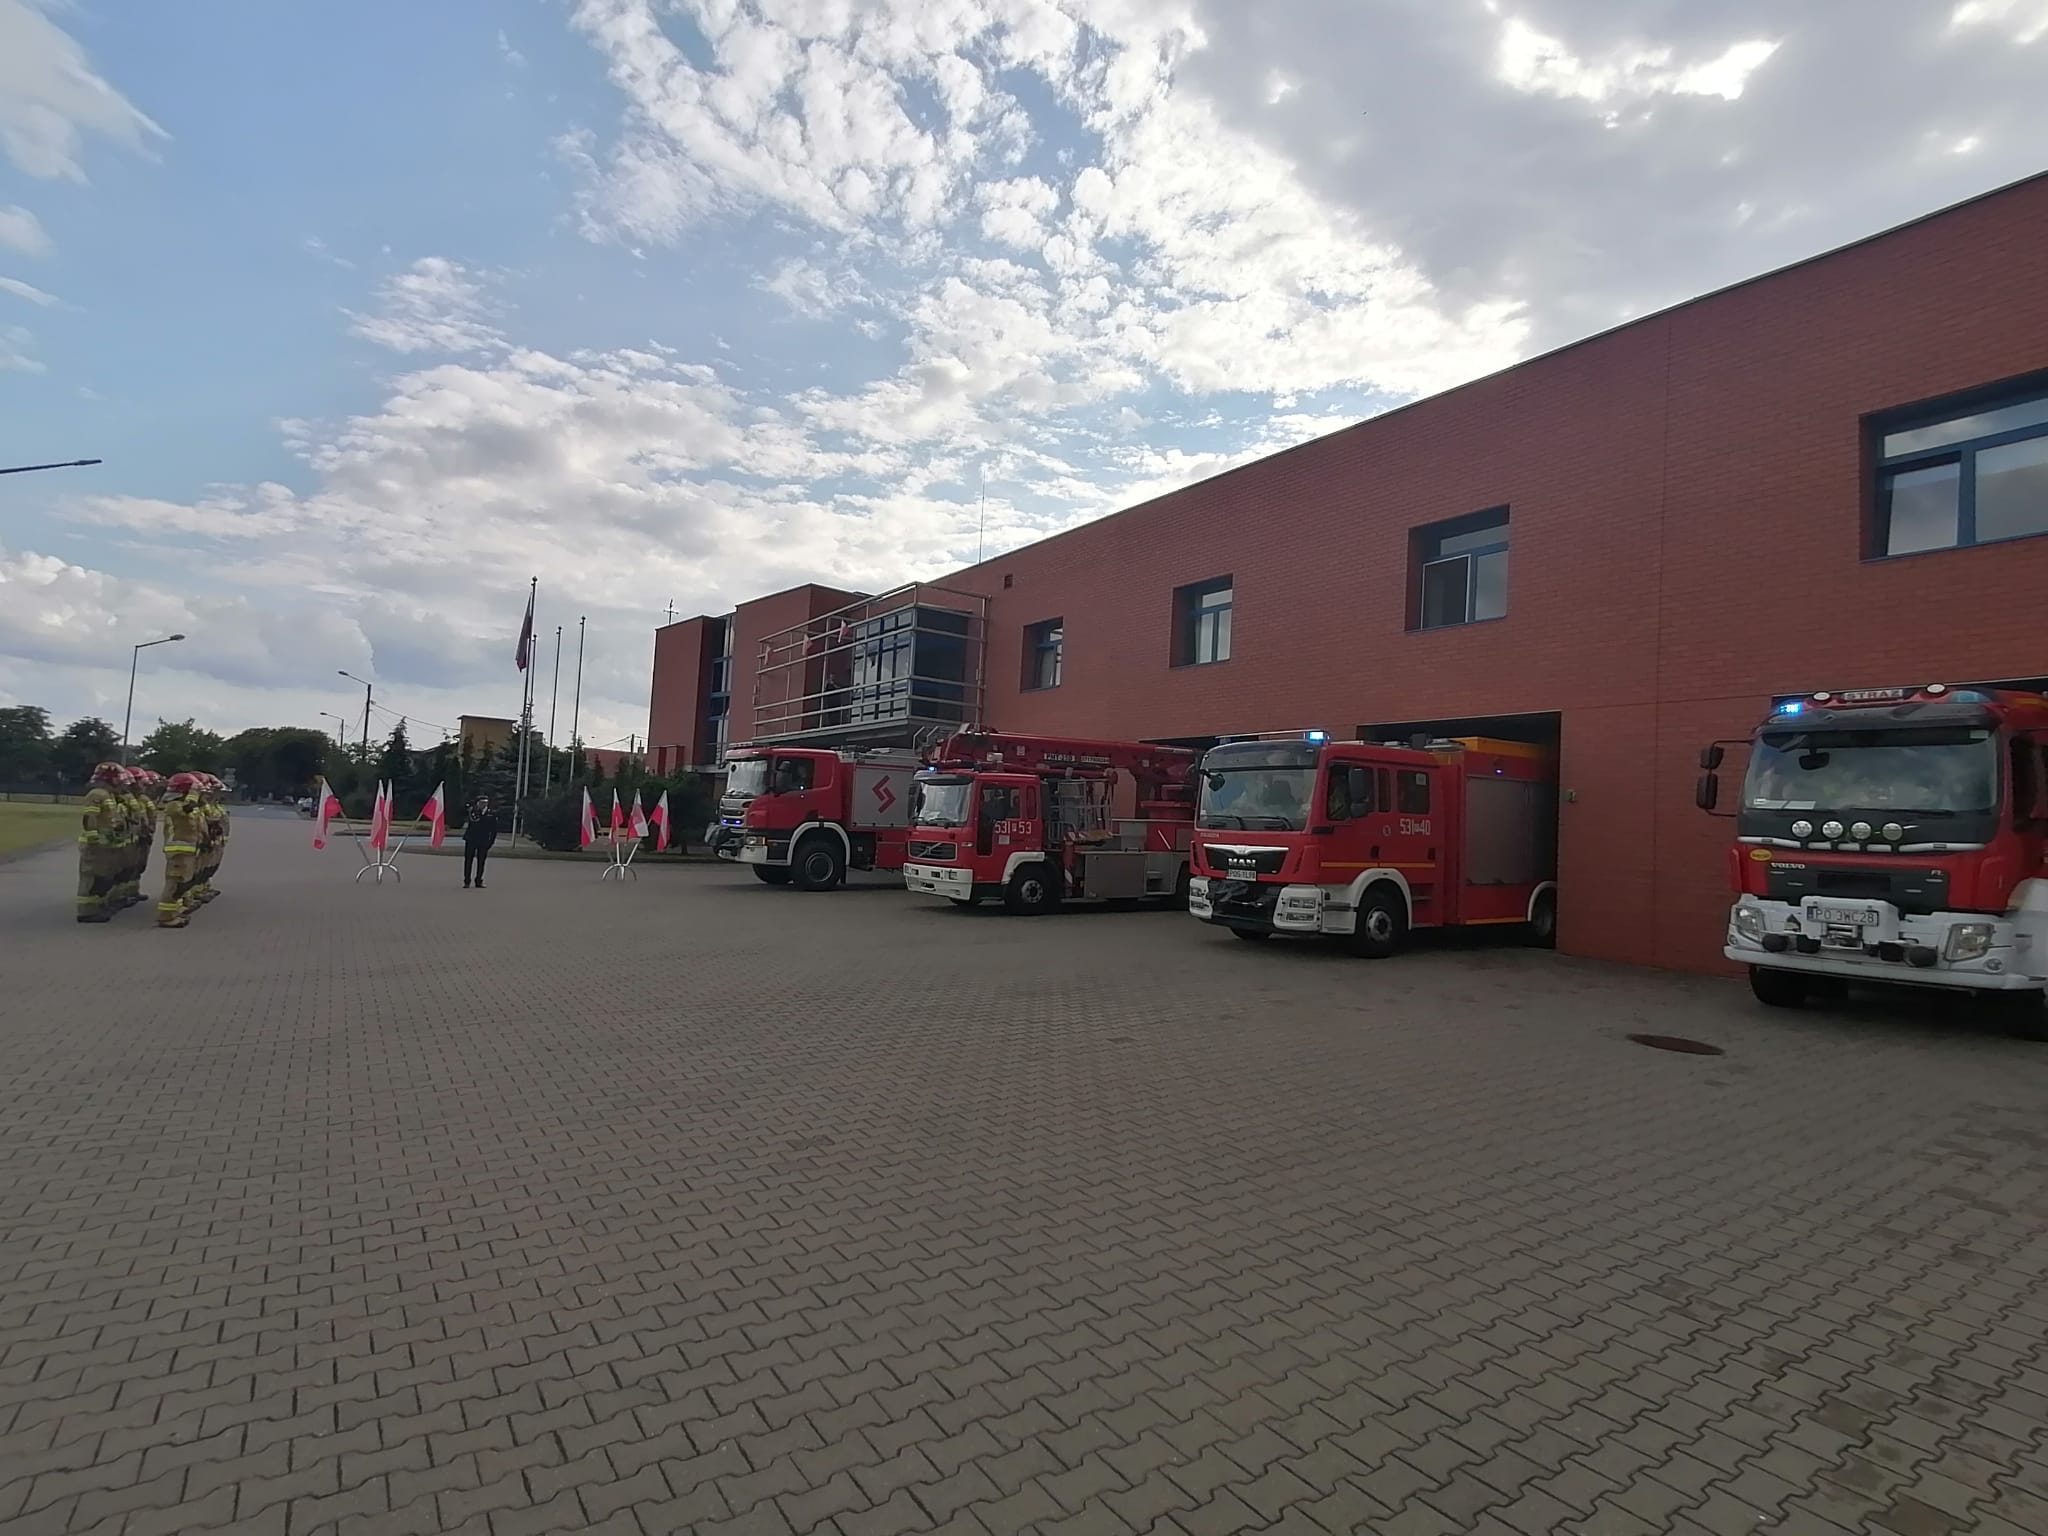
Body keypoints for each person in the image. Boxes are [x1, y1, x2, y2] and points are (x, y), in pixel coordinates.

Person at [76, 762, 130, 923]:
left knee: (102, 877)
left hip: (106, 844)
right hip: (96, 845)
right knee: (91, 878)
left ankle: (98, 906)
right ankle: (86, 911)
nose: (121, 783)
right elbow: (90, 817)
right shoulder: (97, 794)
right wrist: (94, 838)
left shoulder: (109, 795)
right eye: (118, 779)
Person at [156, 773, 205, 929]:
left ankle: (174, 912)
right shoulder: (174, 805)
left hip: (187, 851)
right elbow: (187, 809)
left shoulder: (182, 804)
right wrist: (194, 793)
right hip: (178, 851)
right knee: (174, 884)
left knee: (181, 884)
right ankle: (166, 917)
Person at [463, 796, 498, 887]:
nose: (483, 804)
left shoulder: (491, 814)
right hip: (471, 839)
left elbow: (494, 829)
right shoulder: (473, 812)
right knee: (468, 860)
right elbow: (469, 817)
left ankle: (478, 880)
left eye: (485, 802)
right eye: (481, 802)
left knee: (481, 861)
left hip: (483, 840)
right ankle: (467, 881)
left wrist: (491, 841)